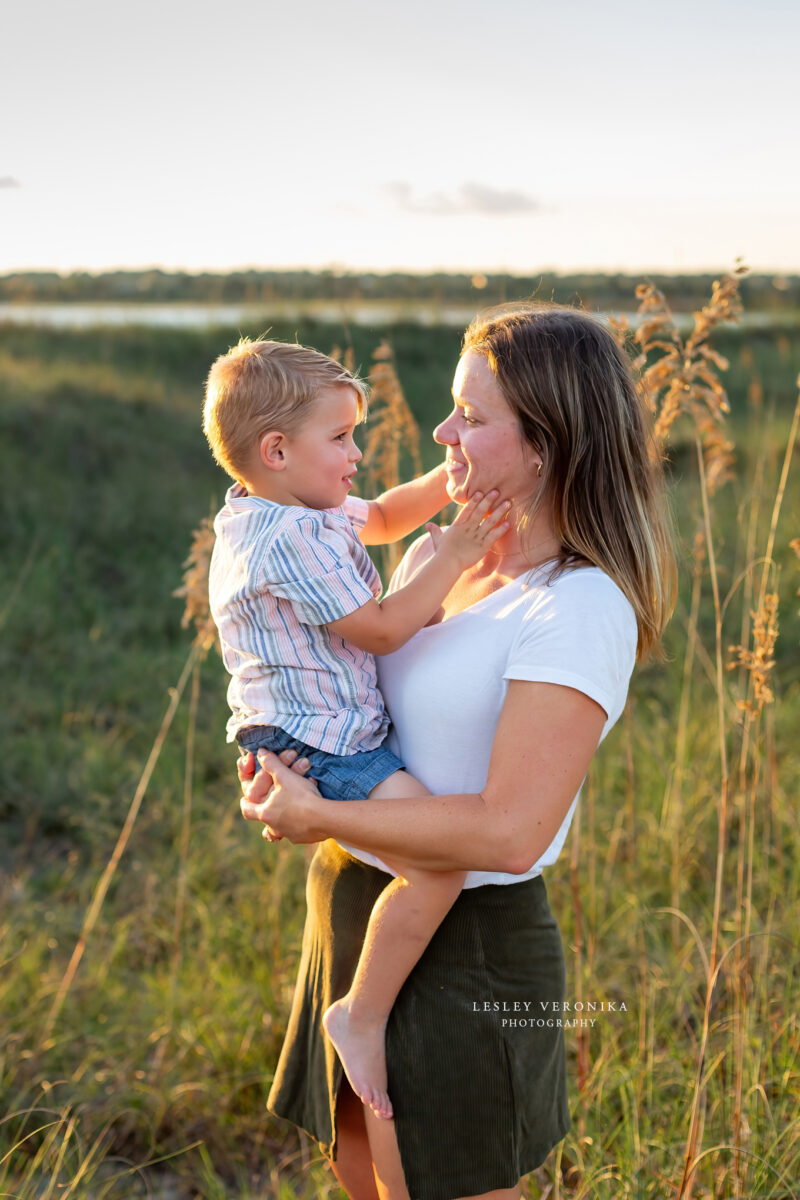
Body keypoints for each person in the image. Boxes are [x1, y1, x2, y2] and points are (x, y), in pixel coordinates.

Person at [239, 303, 676, 1200]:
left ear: (551, 442)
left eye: (471, 417)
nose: (442, 432)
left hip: (467, 939)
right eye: (451, 407)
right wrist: (287, 763)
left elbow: (512, 832)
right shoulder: (443, 560)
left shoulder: (578, 606)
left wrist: (318, 809)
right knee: (360, 1176)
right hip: (359, 897)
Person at [204, 339, 511, 1121]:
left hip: (326, 730)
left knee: (423, 849)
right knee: (441, 867)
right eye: (340, 438)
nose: (358, 452)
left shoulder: (281, 505)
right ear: (276, 450)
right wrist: (457, 556)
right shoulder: (287, 542)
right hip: (325, 748)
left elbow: (379, 517)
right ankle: (361, 1014)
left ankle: (365, 1009)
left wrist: (455, 478)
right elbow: (379, 631)